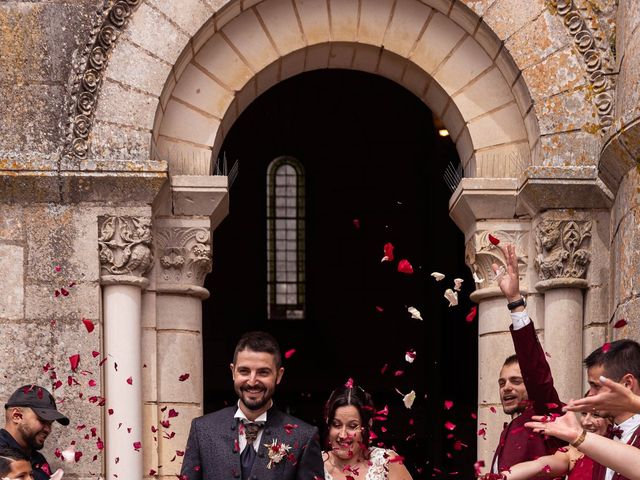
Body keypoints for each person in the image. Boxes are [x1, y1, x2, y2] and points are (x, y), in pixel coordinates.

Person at [180, 331, 324, 480]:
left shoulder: (303, 436)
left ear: (279, 375)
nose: (252, 381)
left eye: (263, 372)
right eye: (244, 371)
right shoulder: (203, 430)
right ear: (233, 372)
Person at [489, 244, 564, 476]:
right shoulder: (512, 426)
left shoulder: (542, 413)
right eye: (502, 383)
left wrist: (515, 302)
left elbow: (535, 368)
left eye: (516, 381)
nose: (507, 388)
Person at [527, 339, 640, 480]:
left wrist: (577, 436)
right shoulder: (605, 437)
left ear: (627, 383)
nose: (590, 393)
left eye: (596, 386)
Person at [322, 383, 412, 480]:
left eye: (352, 426)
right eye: (336, 425)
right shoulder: (313, 463)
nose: (343, 435)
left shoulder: (386, 463)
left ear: (368, 424)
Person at [488, 409, 609, 480]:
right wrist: (501, 477)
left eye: (596, 415)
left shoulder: (626, 447)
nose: (586, 422)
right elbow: (539, 466)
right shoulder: (573, 453)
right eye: (583, 413)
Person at [1, 386, 69, 480]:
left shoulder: (38, 459)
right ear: (17, 416)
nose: (48, 430)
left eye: (50, 424)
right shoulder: (3, 457)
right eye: (43, 421)